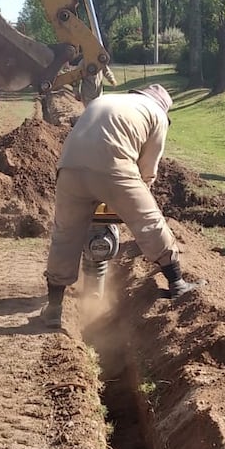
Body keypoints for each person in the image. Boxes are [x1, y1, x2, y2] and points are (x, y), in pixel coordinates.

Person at [41, 83, 201, 329]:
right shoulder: (157, 114)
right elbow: (148, 168)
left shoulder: (105, 101)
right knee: (150, 223)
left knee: (65, 235)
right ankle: (177, 283)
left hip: (69, 168)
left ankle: (53, 309)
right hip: (114, 168)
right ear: (164, 108)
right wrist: (135, 199)